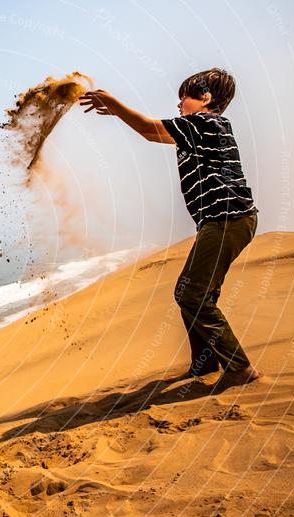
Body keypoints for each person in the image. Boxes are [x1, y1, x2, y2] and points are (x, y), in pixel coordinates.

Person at [79, 68, 260, 389]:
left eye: (184, 97)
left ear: (205, 98)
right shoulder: (200, 128)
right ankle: (204, 365)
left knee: (190, 295)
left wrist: (115, 104)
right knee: (199, 293)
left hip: (227, 218)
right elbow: (156, 133)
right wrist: (120, 115)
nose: (179, 104)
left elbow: (150, 129)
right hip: (223, 221)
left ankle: (239, 368)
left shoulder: (206, 123)